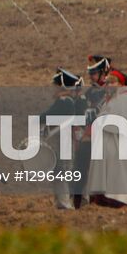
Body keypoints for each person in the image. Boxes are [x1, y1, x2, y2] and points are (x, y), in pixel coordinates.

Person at [85, 55, 127, 208]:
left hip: (120, 146)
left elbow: (116, 121)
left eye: (112, 82)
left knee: (119, 178)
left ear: (120, 83)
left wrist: (100, 121)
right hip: (108, 145)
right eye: (108, 82)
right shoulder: (111, 99)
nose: (109, 85)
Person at [42, 68, 88, 210]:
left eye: (56, 86)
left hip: (64, 140)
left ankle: (64, 202)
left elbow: (45, 116)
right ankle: (63, 201)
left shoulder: (64, 102)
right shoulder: (66, 101)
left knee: (61, 170)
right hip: (64, 140)